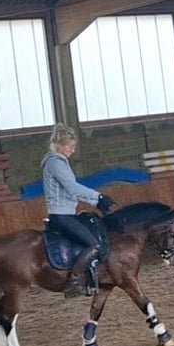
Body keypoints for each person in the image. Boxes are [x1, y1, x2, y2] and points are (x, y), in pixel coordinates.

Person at [41, 123, 116, 297]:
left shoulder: (59, 162)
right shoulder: (56, 162)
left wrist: (96, 202)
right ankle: (74, 281)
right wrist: (98, 196)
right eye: (70, 146)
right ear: (61, 145)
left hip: (66, 213)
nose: (73, 150)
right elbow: (73, 188)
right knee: (94, 244)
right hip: (61, 215)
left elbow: (72, 191)